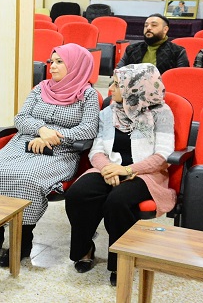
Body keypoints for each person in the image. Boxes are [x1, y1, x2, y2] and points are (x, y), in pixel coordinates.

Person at [0, 44, 99, 267]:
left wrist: (55, 136)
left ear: (75, 65)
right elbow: (21, 118)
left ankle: (22, 241)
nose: (52, 66)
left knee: (28, 179)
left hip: (61, 151)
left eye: (59, 62)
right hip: (23, 143)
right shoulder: (40, 88)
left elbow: (89, 129)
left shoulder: (87, 95)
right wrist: (41, 130)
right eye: (51, 61)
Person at [65, 63, 175, 287]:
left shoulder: (161, 113)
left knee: (118, 201)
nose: (111, 89)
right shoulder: (109, 112)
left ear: (134, 87)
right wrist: (107, 168)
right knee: (78, 193)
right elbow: (96, 150)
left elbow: (163, 155)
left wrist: (127, 170)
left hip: (145, 173)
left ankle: (121, 261)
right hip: (109, 168)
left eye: (117, 84)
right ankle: (84, 247)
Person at [117, 14, 188, 74]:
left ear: (165, 29)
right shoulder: (132, 49)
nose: (148, 28)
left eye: (154, 25)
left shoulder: (177, 51)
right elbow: (118, 72)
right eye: (146, 25)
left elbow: (181, 78)